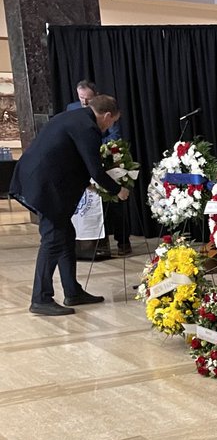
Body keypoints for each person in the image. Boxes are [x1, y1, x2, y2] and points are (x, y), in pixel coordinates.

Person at [13, 94, 130, 316]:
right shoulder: (88, 128)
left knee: (66, 234)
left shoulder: (73, 117)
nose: (110, 126)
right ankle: (40, 298)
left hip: (39, 180)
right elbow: (94, 169)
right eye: (113, 122)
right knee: (53, 239)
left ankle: (72, 291)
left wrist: (89, 183)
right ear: (106, 115)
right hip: (44, 187)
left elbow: (69, 156)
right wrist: (118, 190)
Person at [67, 79, 131, 255]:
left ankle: (123, 241)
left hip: (105, 157)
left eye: (88, 99)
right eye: (81, 98)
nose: (85, 103)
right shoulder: (71, 109)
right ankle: (90, 245)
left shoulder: (106, 109)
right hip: (79, 162)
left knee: (115, 200)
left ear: (96, 97)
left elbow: (115, 136)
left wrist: (92, 145)